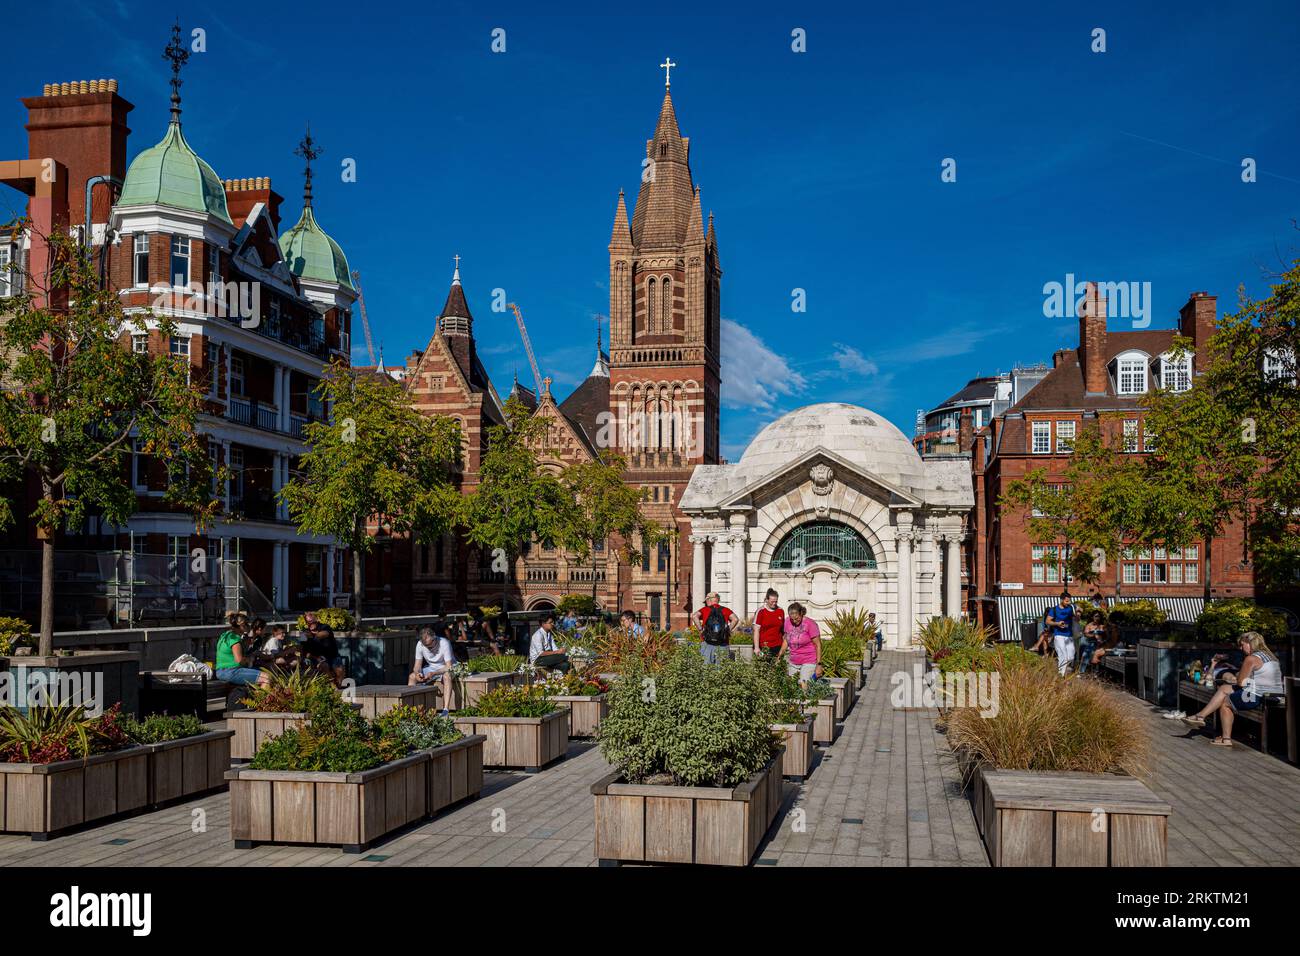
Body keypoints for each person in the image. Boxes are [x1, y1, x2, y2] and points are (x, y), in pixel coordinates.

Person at [1182, 632, 1285, 746]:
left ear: (1250, 643)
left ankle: (1225, 738)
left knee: (1226, 702)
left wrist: (1238, 676)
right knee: (1224, 688)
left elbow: (1241, 682)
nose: (1241, 648)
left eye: (1242, 645)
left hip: (1258, 696)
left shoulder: (1251, 658)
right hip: (1274, 695)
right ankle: (1200, 717)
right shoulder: (1271, 657)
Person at [410, 623, 456, 715]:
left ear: (435, 638)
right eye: (426, 647)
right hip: (431, 668)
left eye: (430, 646)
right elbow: (417, 665)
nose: (429, 649)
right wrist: (418, 673)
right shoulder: (420, 644)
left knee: (447, 676)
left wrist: (434, 673)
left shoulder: (444, 643)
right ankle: (411, 708)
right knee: (412, 677)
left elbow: (449, 666)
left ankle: (445, 709)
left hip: (447, 667)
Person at [215, 612, 269, 687]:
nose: (248, 626)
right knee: (266, 677)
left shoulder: (225, 635)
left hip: (222, 670)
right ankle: (261, 698)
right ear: (241, 625)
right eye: (246, 624)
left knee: (264, 671)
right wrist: (249, 660)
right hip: (231, 671)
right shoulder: (234, 639)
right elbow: (239, 660)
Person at [780, 602, 821, 689]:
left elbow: (818, 645)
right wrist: (780, 655)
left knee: (804, 685)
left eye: (797, 618)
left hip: (808, 660)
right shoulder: (787, 621)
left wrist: (819, 665)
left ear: (801, 613)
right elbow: (786, 640)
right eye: (792, 619)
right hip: (793, 661)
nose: (794, 621)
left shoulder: (810, 624)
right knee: (791, 687)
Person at [690, 592, 735, 664]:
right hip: (723, 643)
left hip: (707, 643)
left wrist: (700, 630)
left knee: (706, 669)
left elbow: (694, 616)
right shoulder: (726, 610)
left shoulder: (705, 609)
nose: (706, 603)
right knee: (721, 669)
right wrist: (727, 630)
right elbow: (735, 619)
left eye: (706, 601)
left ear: (709, 600)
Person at [1042, 592, 1076, 676]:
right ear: (1061, 600)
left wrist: (1078, 613)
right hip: (1059, 635)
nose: (1068, 603)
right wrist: (1057, 624)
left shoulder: (1071, 608)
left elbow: (1075, 617)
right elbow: (1047, 621)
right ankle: (1061, 675)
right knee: (1063, 655)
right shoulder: (1054, 609)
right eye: (1066, 601)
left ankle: (1062, 671)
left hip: (1069, 635)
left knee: (1071, 657)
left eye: (1069, 601)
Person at [753, 588, 784, 659]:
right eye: (772, 601)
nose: (774, 603)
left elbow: (782, 630)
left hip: (778, 645)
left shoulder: (780, 611)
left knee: (777, 668)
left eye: (776, 601)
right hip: (764, 646)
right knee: (764, 668)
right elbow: (756, 630)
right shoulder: (761, 611)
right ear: (766, 600)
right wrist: (757, 648)